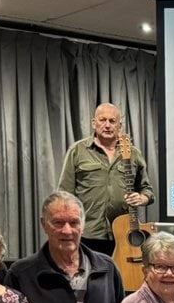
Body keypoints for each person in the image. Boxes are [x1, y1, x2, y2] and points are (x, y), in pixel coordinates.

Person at [56, 102, 153, 254]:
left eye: (112, 121)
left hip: (123, 235)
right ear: (94, 123)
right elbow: (64, 194)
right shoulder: (77, 151)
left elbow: (147, 189)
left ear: (119, 125)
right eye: (102, 120)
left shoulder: (133, 154)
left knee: (121, 277)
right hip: (87, 233)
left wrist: (142, 198)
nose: (107, 125)